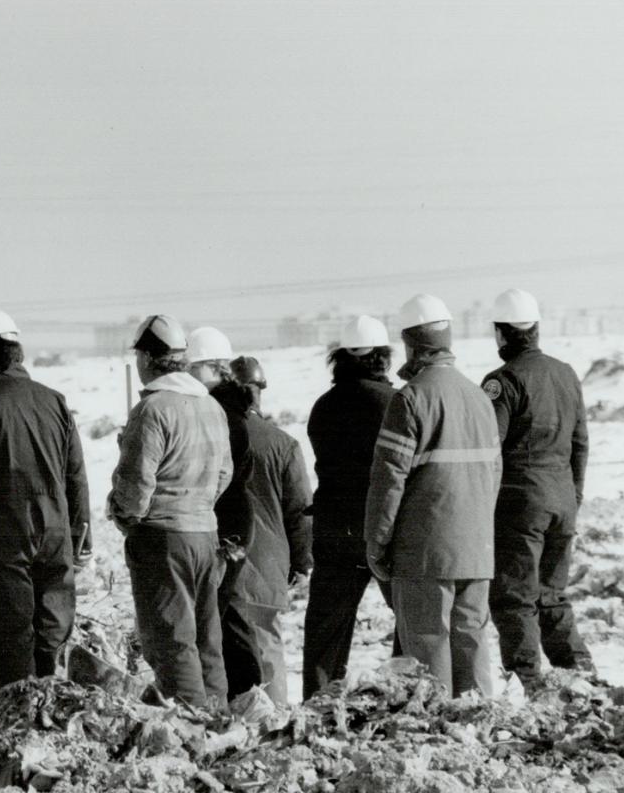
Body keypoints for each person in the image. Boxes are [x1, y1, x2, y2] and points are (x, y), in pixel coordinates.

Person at [0, 309, 91, 706]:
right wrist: (82, 537)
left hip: (2, 542)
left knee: (8, 640)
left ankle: (16, 719)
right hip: (56, 537)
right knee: (51, 634)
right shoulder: (54, 402)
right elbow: (75, 474)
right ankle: (49, 713)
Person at [364, 294, 501, 697]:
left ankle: (437, 732)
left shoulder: (410, 399)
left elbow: (389, 480)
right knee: (471, 641)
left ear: (408, 343)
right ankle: (478, 725)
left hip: (424, 552)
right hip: (477, 549)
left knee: (427, 645)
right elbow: (493, 473)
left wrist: (377, 541)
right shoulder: (479, 398)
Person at [110, 315, 233, 707]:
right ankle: (218, 720)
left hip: (163, 540)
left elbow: (136, 489)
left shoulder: (152, 410)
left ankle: (192, 727)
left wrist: (123, 514)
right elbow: (224, 473)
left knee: (172, 641)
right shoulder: (210, 406)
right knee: (206, 639)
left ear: (147, 358)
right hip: (205, 536)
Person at [189, 327, 312, 704]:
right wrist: (302, 560)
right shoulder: (283, 443)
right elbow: (301, 510)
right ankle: (274, 720)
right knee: (269, 649)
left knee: (222, 647)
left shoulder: (212, 431)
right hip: (270, 563)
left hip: (224, 556)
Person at [481, 288, 595, 685]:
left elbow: (488, 451)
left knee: (514, 597)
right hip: (562, 499)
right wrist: (573, 496)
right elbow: (580, 443)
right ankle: (579, 676)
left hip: (519, 504)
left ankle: (526, 682)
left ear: (500, 334)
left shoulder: (501, 381)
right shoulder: (566, 373)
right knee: (552, 594)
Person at [302, 314, 402, 699]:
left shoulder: (323, 406)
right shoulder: (394, 403)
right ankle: (401, 693)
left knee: (326, 627)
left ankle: (318, 703)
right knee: (409, 619)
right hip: (384, 528)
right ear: (382, 358)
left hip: (333, 528)